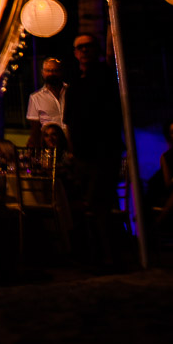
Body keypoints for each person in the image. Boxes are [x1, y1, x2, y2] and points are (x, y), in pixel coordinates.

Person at [63, 33, 128, 265]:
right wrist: (73, 150)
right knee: (90, 205)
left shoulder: (105, 76)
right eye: (80, 48)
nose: (84, 51)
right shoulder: (75, 81)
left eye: (88, 46)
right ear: (75, 53)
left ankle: (108, 257)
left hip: (103, 153)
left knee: (98, 204)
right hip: (82, 155)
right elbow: (69, 119)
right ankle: (96, 256)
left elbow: (110, 114)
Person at [26, 58, 67, 153]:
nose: (51, 74)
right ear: (42, 73)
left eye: (55, 70)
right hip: (50, 144)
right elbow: (35, 128)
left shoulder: (70, 92)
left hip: (72, 142)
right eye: (48, 71)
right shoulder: (35, 97)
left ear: (61, 72)